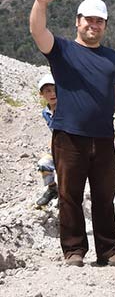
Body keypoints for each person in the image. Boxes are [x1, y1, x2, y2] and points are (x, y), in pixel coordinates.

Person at [28, 0, 115, 267]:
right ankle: (74, 250)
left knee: (104, 195)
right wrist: (40, 4)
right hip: (68, 135)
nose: (93, 25)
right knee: (69, 195)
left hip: (103, 136)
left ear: (105, 25)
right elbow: (38, 31)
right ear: (78, 21)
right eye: (88, 19)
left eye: (99, 21)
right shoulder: (62, 50)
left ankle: (108, 250)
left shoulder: (111, 58)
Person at [35, 74, 59, 208]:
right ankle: (52, 188)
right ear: (41, 94)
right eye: (47, 91)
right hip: (57, 148)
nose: (52, 94)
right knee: (43, 163)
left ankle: (66, 195)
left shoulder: (67, 108)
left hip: (71, 149)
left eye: (55, 89)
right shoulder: (46, 113)